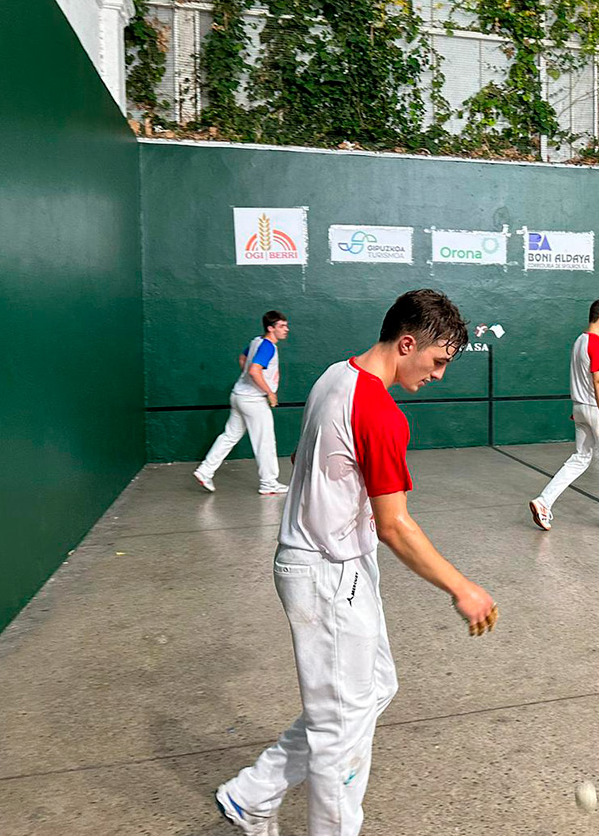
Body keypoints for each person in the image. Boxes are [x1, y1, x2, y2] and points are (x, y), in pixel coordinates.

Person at [215, 289, 497, 836]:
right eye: (438, 361)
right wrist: (461, 587)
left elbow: (304, 456)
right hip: (324, 572)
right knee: (342, 727)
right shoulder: (378, 410)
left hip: (338, 565)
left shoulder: (334, 376)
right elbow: (395, 525)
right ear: (408, 343)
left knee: (370, 692)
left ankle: (253, 793)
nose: (440, 375)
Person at [528, 299, 599, 532]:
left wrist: (584, 410)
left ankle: (544, 501)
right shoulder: (598, 344)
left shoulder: (579, 342)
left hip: (580, 408)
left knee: (580, 458)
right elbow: (598, 381)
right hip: (598, 409)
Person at [194, 311, 290, 495]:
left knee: (229, 436)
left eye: (286, 325)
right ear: (271, 328)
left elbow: (242, 359)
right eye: (282, 326)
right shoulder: (268, 346)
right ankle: (269, 483)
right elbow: (254, 370)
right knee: (265, 441)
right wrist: (269, 392)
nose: (286, 329)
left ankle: (205, 471)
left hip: (238, 395)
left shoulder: (256, 341)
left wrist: (247, 380)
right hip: (253, 400)